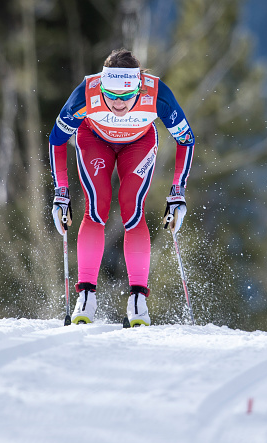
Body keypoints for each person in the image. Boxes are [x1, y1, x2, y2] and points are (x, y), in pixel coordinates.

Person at [48, 48, 195, 327]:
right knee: (97, 206)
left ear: (138, 87)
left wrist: (178, 192)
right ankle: (86, 296)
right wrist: (61, 193)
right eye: (111, 96)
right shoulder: (86, 95)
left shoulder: (157, 96)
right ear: (101, 87)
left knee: (132, 207)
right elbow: (56, 140)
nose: (117, 104)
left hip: (139, 143)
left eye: (126, 96)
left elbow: (186, 140)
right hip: (94, 140)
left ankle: (138, 299)